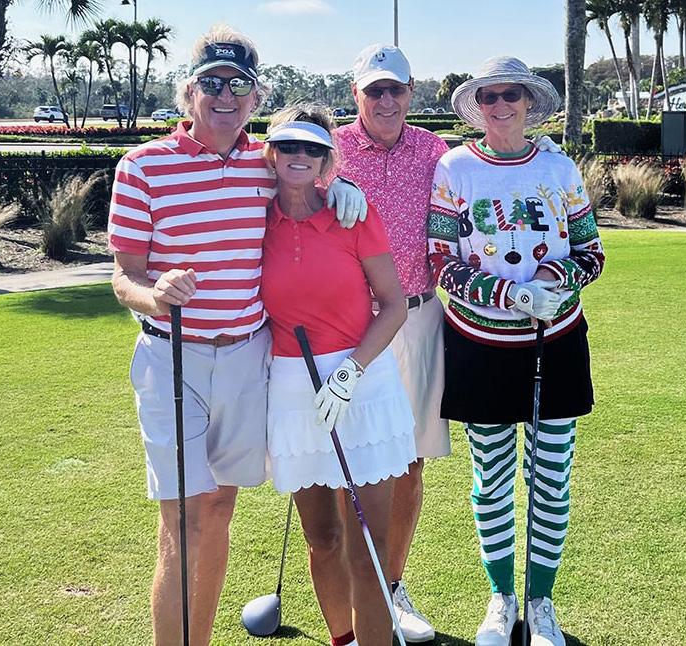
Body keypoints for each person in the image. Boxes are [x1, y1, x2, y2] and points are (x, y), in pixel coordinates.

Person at [107, 25, 365, 645]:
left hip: (249, 358)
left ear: (255, 97)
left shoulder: (265, 164)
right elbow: (123, 275)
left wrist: (340, 184)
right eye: (212, 83)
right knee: (184, 521)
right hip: (174, 359)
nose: (225, 96)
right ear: (189, 92)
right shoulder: (142, 167)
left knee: (219, 509)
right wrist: (154, 293)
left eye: (239, 85)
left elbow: (308, 175)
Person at [428, 57, 605, 646]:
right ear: (477, 107)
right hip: (480, 345)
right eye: (489, 97)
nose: (500, 105)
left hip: (555, 341)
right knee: (492, 481)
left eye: (511, 95)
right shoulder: (454, 168)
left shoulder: (559, 167)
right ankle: (501, 599)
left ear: (529, 102)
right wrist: (509, 294)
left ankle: (541, 602)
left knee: (551, 479)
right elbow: (440, 262)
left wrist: (555, 279)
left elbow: (592, 252)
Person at [261, 105, 417, 646]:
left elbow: (394, 305)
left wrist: (351, 370)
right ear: (271, 153)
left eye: (313, 148)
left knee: (366, 548)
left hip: (361, 382)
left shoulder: (353, 214)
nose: (299, 155)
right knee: (323, 538)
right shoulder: (255, 215)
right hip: (292, 388)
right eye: (288, 145)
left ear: (328, 158)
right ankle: (343, 639)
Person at [334, 43, 451, 643]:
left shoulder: (436, 152)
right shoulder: (329, 149)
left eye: (395, 89)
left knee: (408, 464)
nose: (385, 100)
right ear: (356, 93)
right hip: (347, 329)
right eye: (374, 90)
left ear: (411, 93)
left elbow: (487, 174)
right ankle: (348, 589)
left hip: (419, 317)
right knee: (344, 464)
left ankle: (391, 586)